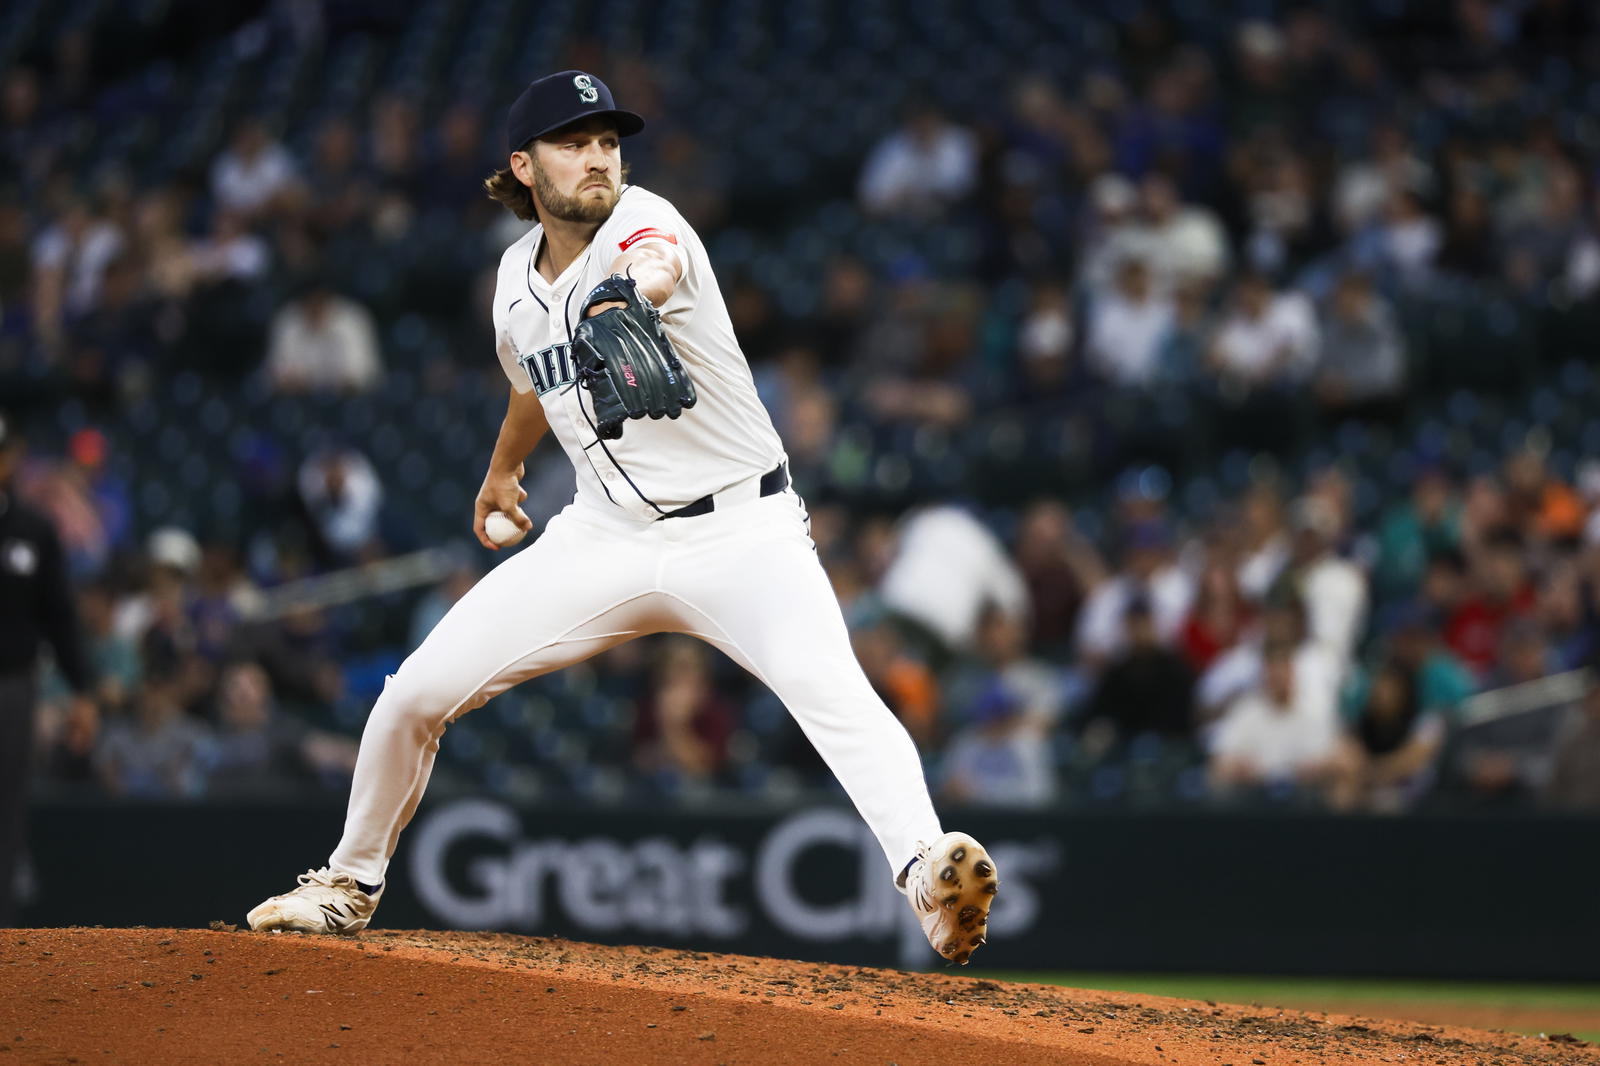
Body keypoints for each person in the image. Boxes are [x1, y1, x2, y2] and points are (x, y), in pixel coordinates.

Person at [247, 71, 998, 963]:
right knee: (412, 694)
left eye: (608, 140)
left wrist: (622, 293)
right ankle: (347, 884)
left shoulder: (651, 222)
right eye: (574, 142)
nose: (599, 156)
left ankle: (926, 875)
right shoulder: (512, 283)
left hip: (740, 532)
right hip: (602, 534)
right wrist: (502, 470)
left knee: (833, 695)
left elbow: (654, 261)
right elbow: (531, 377)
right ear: (524, 167)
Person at [0, 413, 93, 924]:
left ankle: (2, 930)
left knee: (7, 806)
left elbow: (59, 615)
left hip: (11, 684)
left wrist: (82, 691)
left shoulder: (32, 530)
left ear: (12, 458)